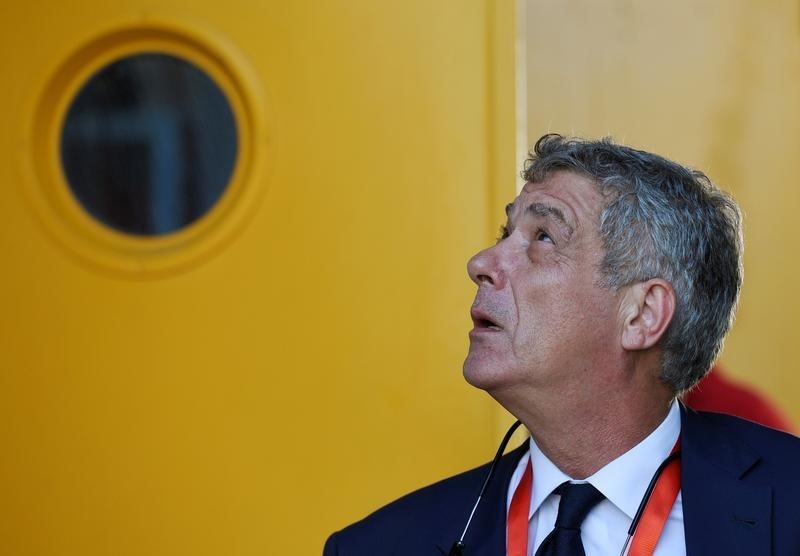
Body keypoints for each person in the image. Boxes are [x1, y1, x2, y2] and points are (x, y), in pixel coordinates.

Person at [323, 135, 800, 555]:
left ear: (641, 315)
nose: (481, 262)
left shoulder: (788, 505)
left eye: (544, 236)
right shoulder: (379, 545)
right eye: (505, 233)